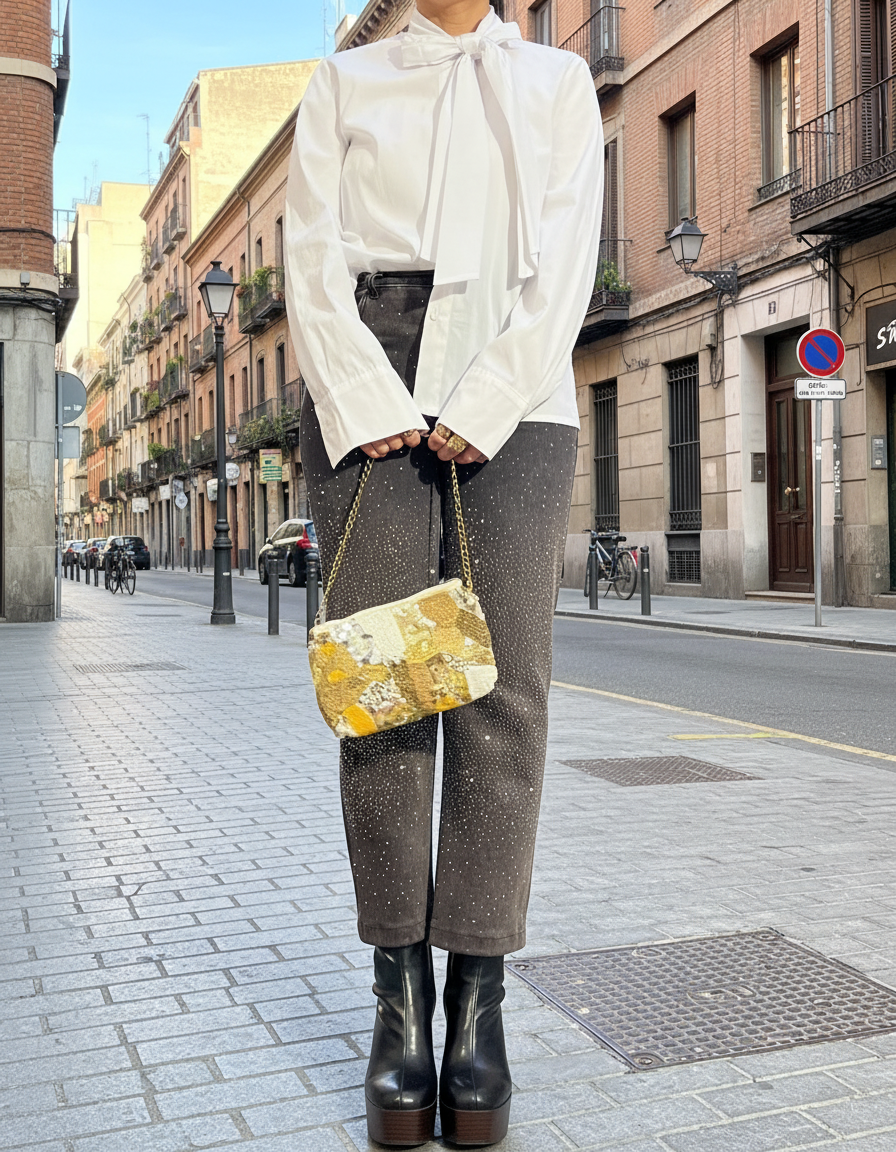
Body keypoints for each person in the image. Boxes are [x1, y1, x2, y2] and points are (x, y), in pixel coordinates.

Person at [285, 0, 603, 1144]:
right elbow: (306, 255)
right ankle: (395, 1003)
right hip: (365, 371)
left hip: (518, 382)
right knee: (383, 694)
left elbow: (565, 258)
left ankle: (477, 1006)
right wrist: (368, 397)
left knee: (502, 700)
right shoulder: (342, 83)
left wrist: (485, 395)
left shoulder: (554, 85)